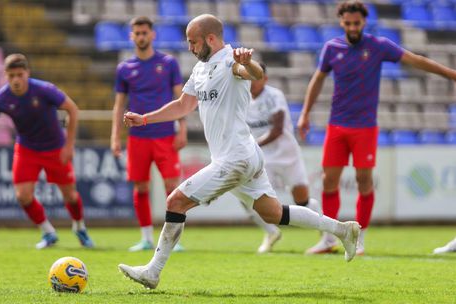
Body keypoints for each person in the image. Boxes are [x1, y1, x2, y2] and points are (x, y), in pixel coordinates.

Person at [118, 14, 360, 290]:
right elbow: (183, 106)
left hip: (235, 158)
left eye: (193, 42)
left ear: (210, 39)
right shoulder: (200, 68)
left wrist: (248, 63)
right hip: (245, 154)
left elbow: (255, 74)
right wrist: (145, 118)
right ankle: (343, 230)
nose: (190, 48)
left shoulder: (231, 60)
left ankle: (153, 271)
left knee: (175, 202)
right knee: (272, 213)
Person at [298, 0, 456, 256]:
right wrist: (304, 114)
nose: (352, 27)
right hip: (337, 125)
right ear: (341, 23)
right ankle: (329, 238)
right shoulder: (331, 48)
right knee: (329, 181)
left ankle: (359, 237)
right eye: (347, 23)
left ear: (364, 22)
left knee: (364, 181)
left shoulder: (378, 46)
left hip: (365, 127)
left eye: (356, 23)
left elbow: (414, 59)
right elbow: (317, 80)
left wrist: (450, 73)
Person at [0, 53, 94, 249]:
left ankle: (79, 226)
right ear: (6, 75)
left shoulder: (44, 90)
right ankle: (48, 232)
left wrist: (69, 145)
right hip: (27, 149)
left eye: (19, 74)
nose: (16, 80)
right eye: (11, 75)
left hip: (55, 148)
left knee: (70, 196)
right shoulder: (0, 98)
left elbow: (72, 109)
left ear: (27, 73)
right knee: (23, 195)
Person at [111, 16, 187, 252]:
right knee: (141, 188)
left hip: (165, 134)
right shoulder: (124, 69)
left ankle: (173, 239)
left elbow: (180, 100)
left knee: (173, 187)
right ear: (131, 36)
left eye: (145, 32)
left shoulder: (168, 63)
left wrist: (182, 129)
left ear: (153, 35)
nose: (141, 36)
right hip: (138, 138)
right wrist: (115, 136)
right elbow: (119, 105)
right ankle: (146, 238)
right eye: (137, 33)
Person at [244, 62, 322, 253]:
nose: (253, 82)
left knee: (302, 201)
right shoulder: (242, 99)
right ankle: (271, 232)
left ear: (265, 78)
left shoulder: (274, 96)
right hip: (263, 159)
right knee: (248, 196)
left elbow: (277, 129)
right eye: (250, 77)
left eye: (257, 77)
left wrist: (252, 145)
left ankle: (327, 236)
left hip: (287, 154)